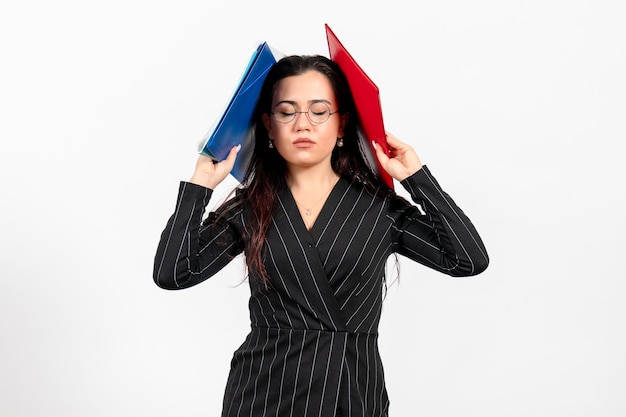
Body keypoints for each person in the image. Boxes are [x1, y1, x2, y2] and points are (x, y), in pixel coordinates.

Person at [153, 54, 489, 417]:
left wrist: (417, 178)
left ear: (342, 123)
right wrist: (198, 187)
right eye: (286, 112)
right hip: (263, 395)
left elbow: (466, 260)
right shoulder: (251, 208)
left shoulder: (380, 208)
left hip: (352, 395)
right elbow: (174, 273)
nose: (303, 125)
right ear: (268, 125)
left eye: (319, 111)